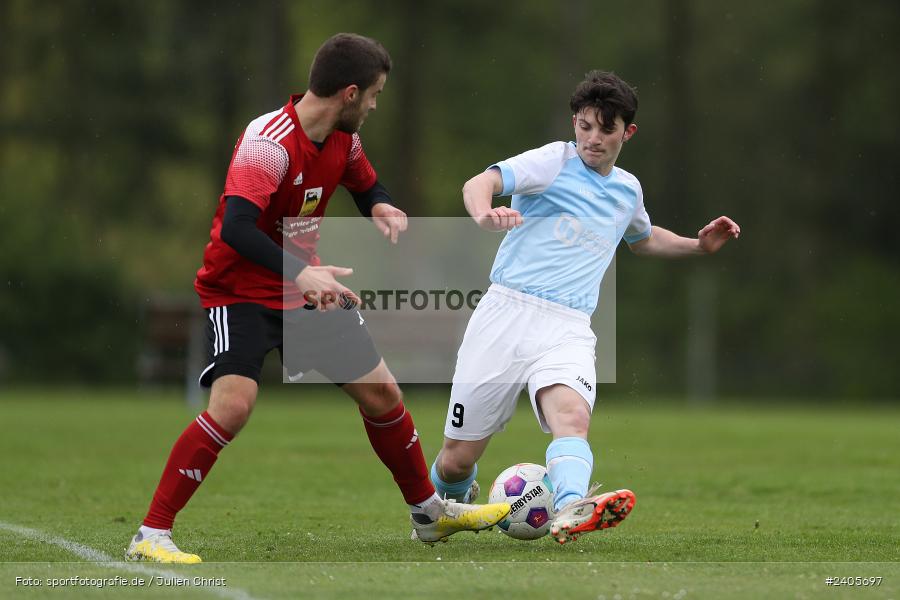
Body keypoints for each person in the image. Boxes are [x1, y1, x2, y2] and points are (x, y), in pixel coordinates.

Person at [126, 33, 509, 563]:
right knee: (234, 406)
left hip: (302, 287)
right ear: (350, 93)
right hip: (237, 292)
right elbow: (237, 229)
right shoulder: (268, 143)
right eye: (374, 94)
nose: (376, 105)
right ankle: (151, 535)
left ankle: (429, 515)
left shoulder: (342, 140)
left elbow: (367, 185)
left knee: (383, 395)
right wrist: (302, 273)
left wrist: (381, 207)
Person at [430, 70, 740, 544]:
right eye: (585, 126)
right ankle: (436, 514)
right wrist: (484, 212)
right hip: (506, 313)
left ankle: (572, 506)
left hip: (569, 326)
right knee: (457, 457)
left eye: (606, 129)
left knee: (571, 418)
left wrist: (698, 246)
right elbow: (481, 182)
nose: (593, 139)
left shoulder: (627, 190)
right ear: (575, 123)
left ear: (627, 132)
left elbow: (643, 238)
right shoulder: (552, 162)